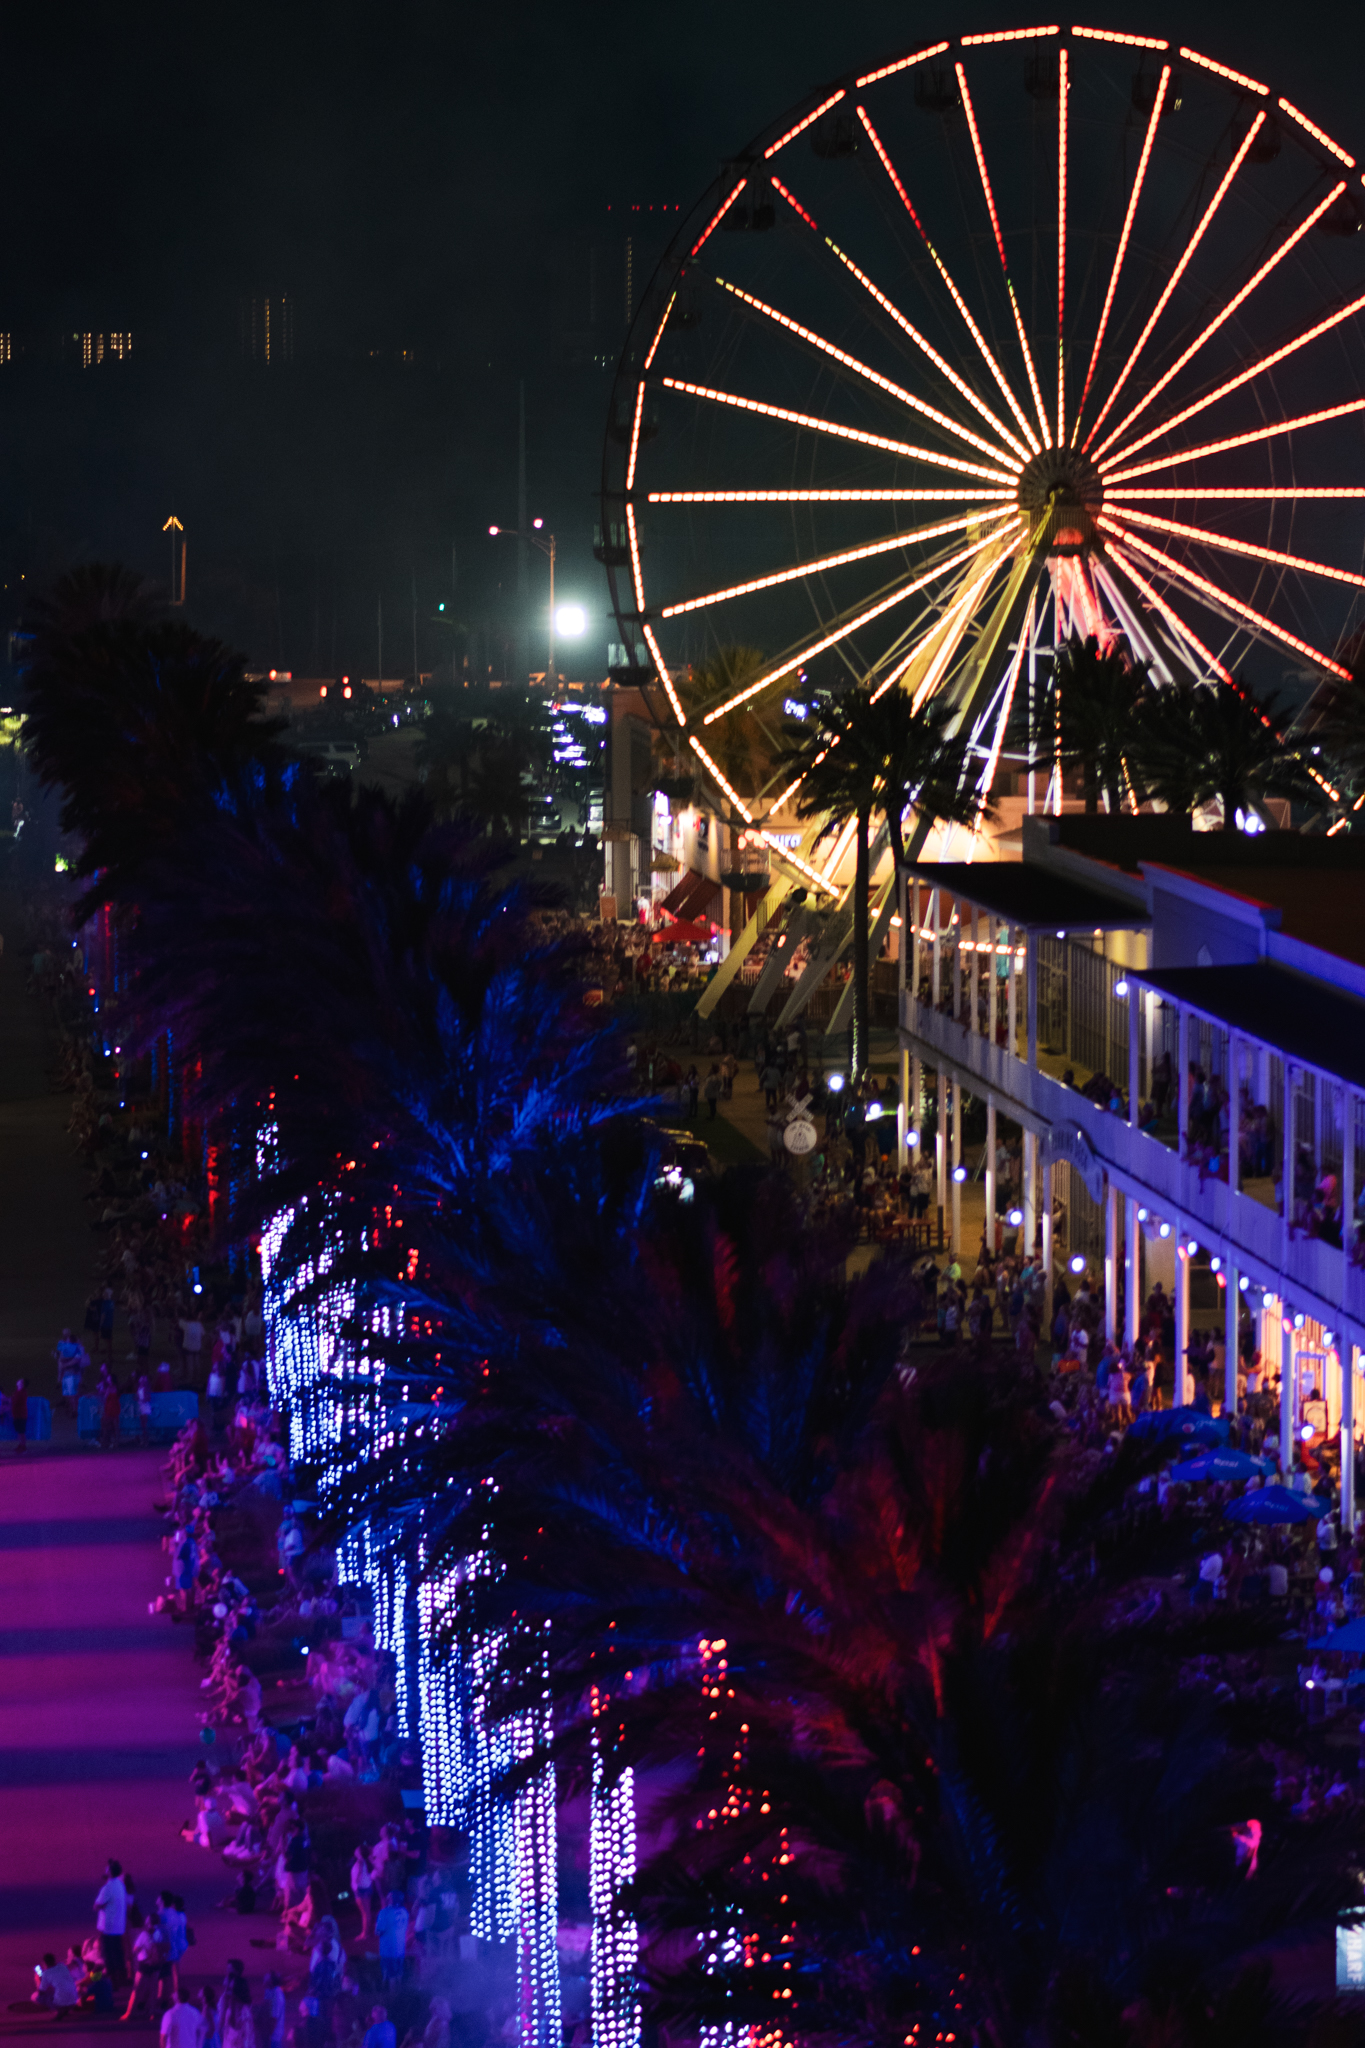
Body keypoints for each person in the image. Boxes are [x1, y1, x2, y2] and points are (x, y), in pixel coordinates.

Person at [95, 1859, 129, 1985]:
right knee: (118, 1953)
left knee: (108, 1955)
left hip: (108, 1927)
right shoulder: (120, 1885)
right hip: (119, 1926)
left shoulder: (107, 1888)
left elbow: (96, 1906)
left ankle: (112, 1982)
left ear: (109, 1872)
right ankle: (122, 1978)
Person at [374, 1893, 408, 1989]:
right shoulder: (404, 1911)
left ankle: (393, 1997)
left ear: (390, 1900)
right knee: (399, 1972)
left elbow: (378, 1932)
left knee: (391, 1975)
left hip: (389, 1950)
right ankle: (401, 1992)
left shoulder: (384, 1912)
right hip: (401, 1948)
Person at [11, 1375, 28, 1454]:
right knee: (19, 1431)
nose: (18, 1381)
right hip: (17, 1414)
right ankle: (21, 1445)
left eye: (20, 1381)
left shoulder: (21, 1393)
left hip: (20, 1414)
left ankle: (23, 1447)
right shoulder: (18, 1392)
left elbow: (15, 1402)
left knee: (21, 1431)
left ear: (22, 1384)